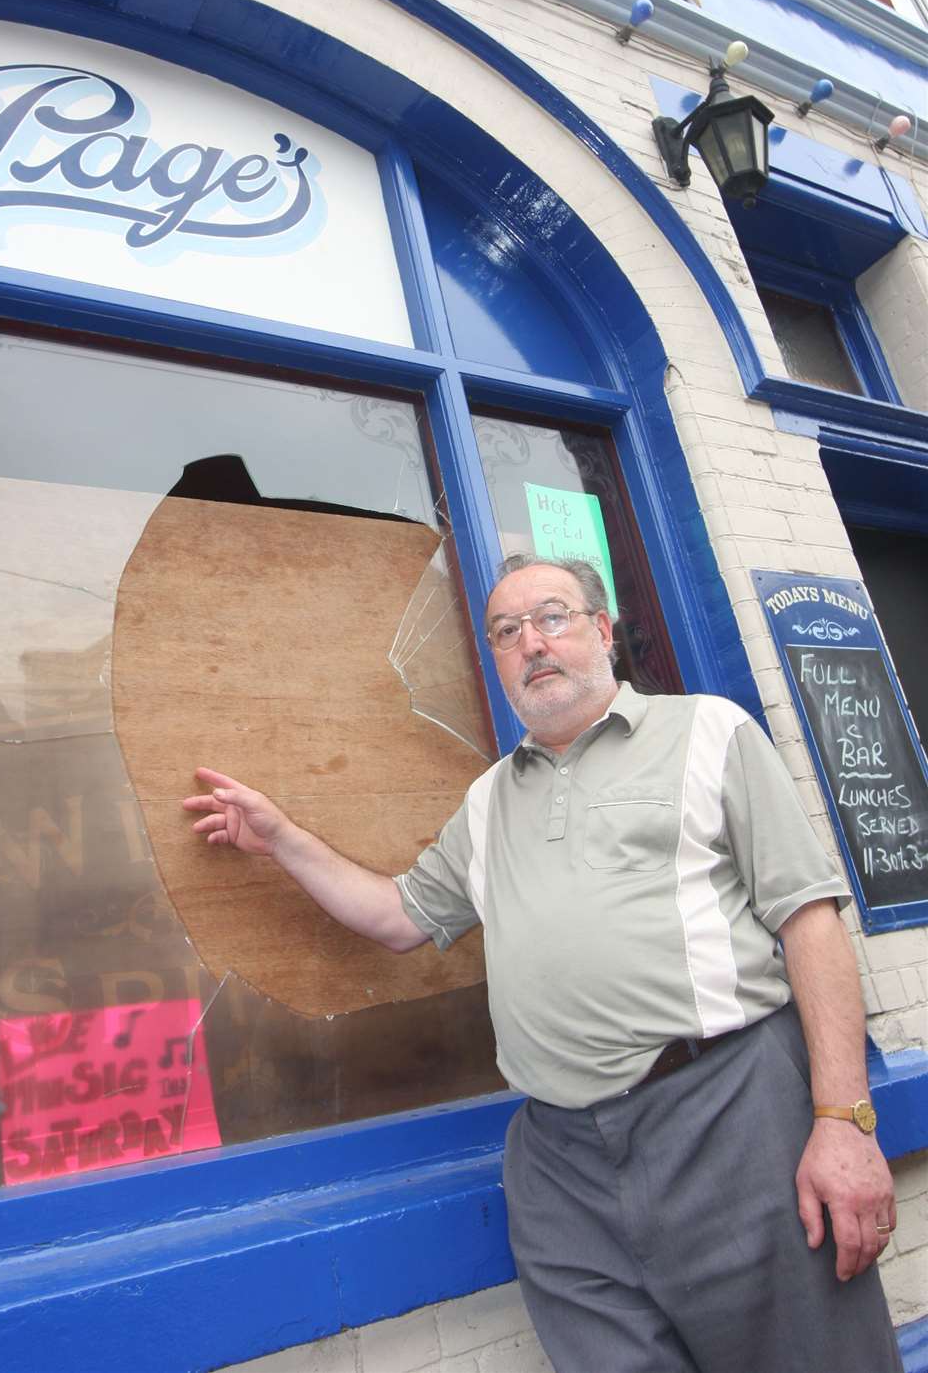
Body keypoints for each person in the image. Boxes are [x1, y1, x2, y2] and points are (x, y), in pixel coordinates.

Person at [184, 554, 902, 1373]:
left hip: (727, 1114)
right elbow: (395, 917)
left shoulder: (709, 732)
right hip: (561, 1162)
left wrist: (844, 1122)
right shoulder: (489, 800)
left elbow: (809, 920)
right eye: (506, 631)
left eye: (552, 617)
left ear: (602, 631)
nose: (532, 642)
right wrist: (280, 839)